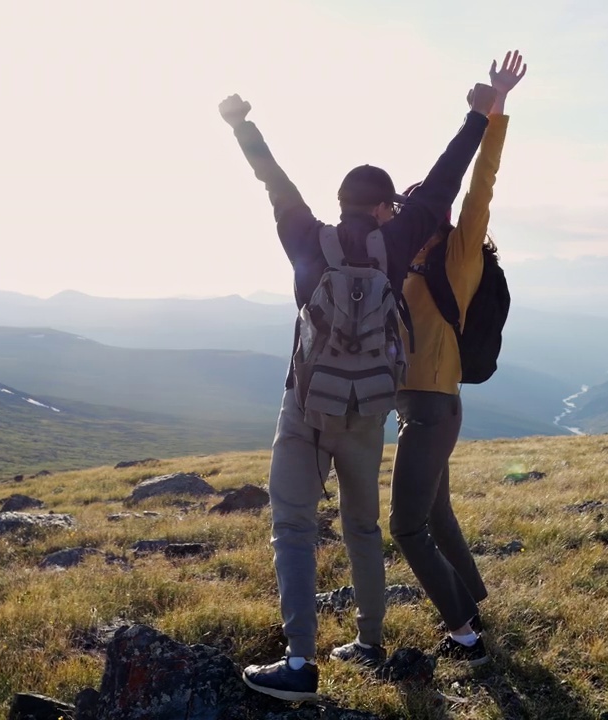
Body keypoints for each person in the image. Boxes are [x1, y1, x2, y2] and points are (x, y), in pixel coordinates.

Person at [218, 82, 496, 701]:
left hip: (306, 409)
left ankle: (298, 663)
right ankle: (369, 641)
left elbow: (272, 179)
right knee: (363, 528)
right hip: (369, 413)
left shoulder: (303, 236)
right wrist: (477, 115)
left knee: (292, 526)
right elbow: (446, 179)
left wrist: (240, 123)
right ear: (385, 207)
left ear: (342, 202)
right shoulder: (396, 244)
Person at [389, 50, 527, 668]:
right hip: (418, 406)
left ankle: (464, 633)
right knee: (437, 514)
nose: (406, 213)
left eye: (415, 206)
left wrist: (495, 109)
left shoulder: (459, 250)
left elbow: (482, 183)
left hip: (434, 407)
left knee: (407, 527)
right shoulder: (402, 259)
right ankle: (472, 596)